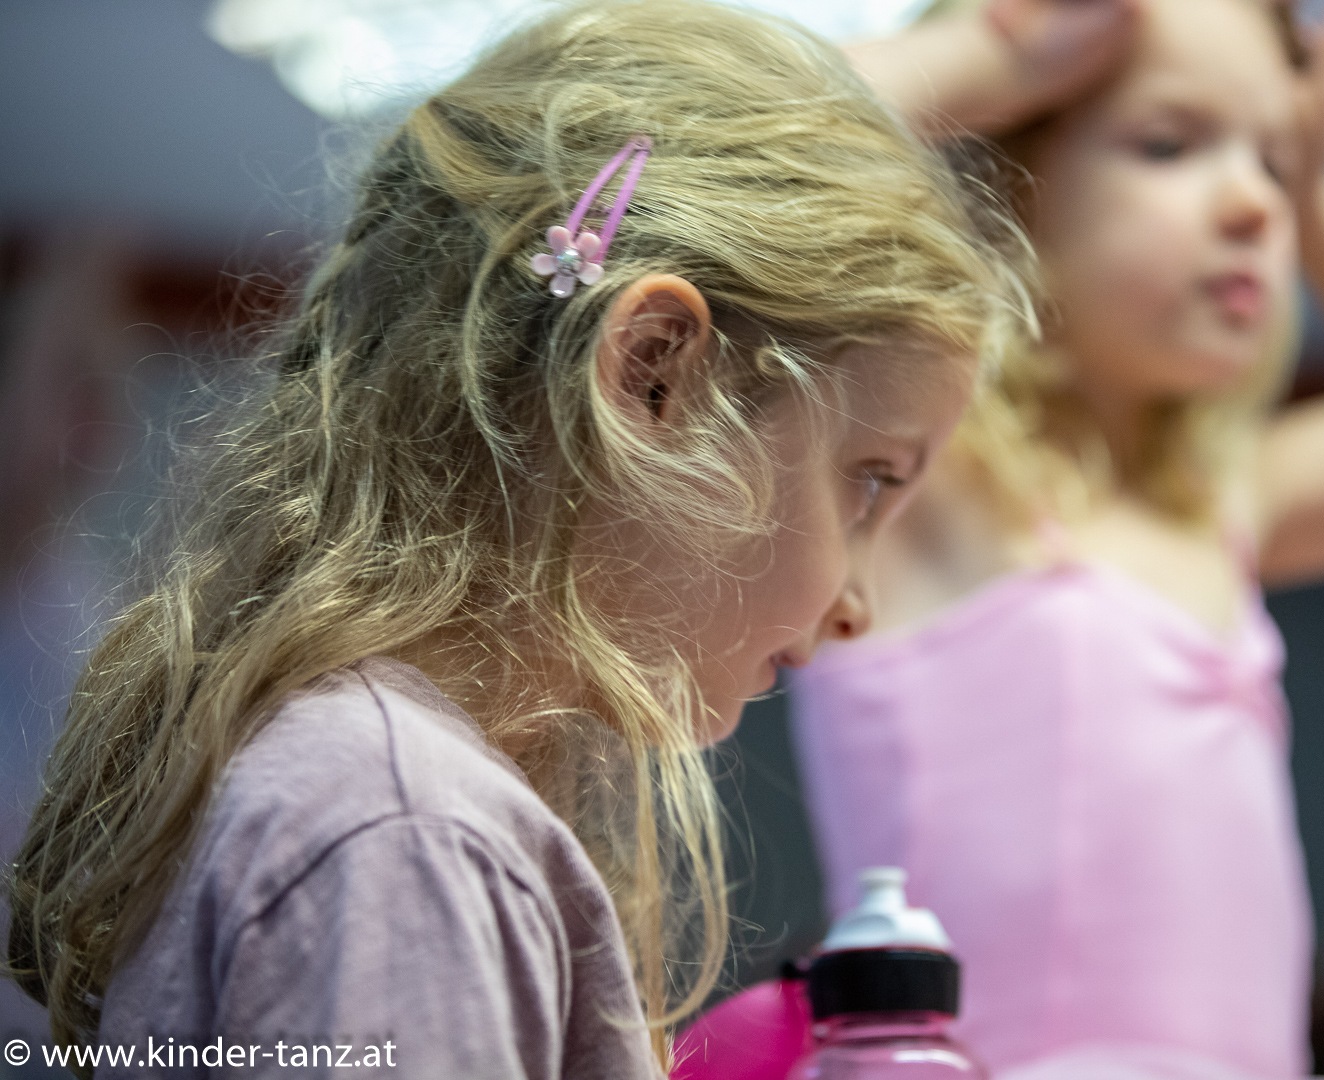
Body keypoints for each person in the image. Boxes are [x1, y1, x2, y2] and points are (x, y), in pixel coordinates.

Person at [2, 1, 1034, 1075]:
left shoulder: (377, 798)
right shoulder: (404, 831)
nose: (859, 605)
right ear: (653, 374)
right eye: (869, 481)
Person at [791, 0, 1324, 1077]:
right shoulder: (932, 471)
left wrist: (1321, 200)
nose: (1255, 202)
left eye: (1273, 163)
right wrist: (984, 60)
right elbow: (720, 148)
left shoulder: (1220, 506)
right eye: (1169, 143)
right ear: (999, 180)